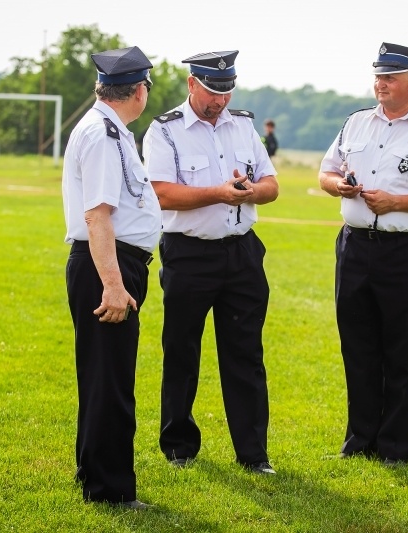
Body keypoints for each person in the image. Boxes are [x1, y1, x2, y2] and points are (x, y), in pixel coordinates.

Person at [318, 42, 408, 466]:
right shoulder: (356, 122)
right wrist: (338, 186)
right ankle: (359, 441)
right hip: (354, 245)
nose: (380, 83)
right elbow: (325, 172)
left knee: (401, 351)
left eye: (390, 77)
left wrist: (397, 203)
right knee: (358, 347)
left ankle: (395, 449)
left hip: (406, 250)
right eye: (378, 76)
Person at [142, 50, 279, 475]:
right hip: (189, 253)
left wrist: (248, 191)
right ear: (191, 84)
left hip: (242, 251)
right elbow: (162, 193)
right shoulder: (164, 131)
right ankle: (179, 447)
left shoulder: (243, 126)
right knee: (181, 351)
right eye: (212, 92)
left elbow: (271, 185)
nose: (219, 101)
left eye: (226, 91)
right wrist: (219, 193)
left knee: (246, 355)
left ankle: (254, 455)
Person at [62, 46, 161, 509]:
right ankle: (110, 491)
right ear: (139, 91)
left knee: (102, 377)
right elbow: (98, 215)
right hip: (109, 266)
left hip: (111, 263)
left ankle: (92, 472)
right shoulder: (104, 134)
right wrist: (114, 284)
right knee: (112, 381)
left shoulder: (109, 128)